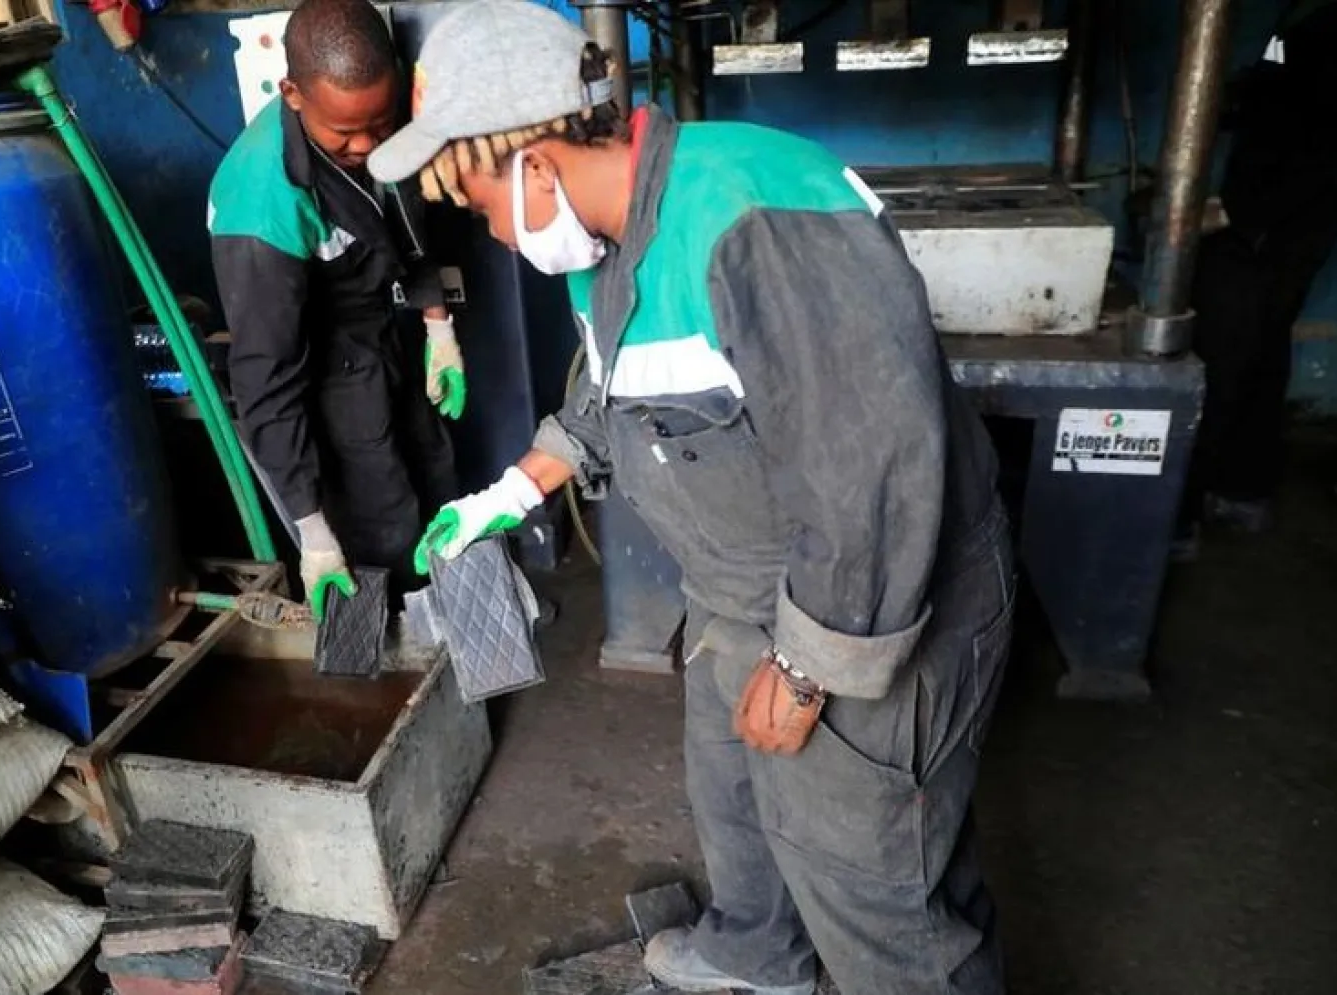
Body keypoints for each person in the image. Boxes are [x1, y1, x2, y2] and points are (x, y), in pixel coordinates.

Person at [368, 3, 1014, 993]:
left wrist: (807, 665)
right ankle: (760, 956)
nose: (491, 231)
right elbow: (609, 386)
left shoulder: (751, 218)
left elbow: (874, 472)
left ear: (534, 163)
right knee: (735, 792)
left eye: (481, 204)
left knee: (878, 883)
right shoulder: (603, 237)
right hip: (742, 588)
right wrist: (510, 489)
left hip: (869, 598)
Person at [208, 0, 462, 603]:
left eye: (382, 124)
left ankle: (462, 614)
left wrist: (437, 326)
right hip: (322, 363)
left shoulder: (375, 114)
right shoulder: (263, 201)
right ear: (293, 93)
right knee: (384, 519)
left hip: (384, 330)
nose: (370, 144)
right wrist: (312, 528)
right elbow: (265, 374)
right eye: (347, 134)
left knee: (438, 472)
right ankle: (407, 654)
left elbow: (409, 219)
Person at [1180, 0, 1337, 544]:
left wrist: (1235, 213)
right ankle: (1239, 494)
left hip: (1269, 234)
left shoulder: (1326, 32)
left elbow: (1317, 147)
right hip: (1274, 228)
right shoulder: (1301, 28)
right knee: (1257, 357)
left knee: (1226, 364)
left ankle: (1187, 513)